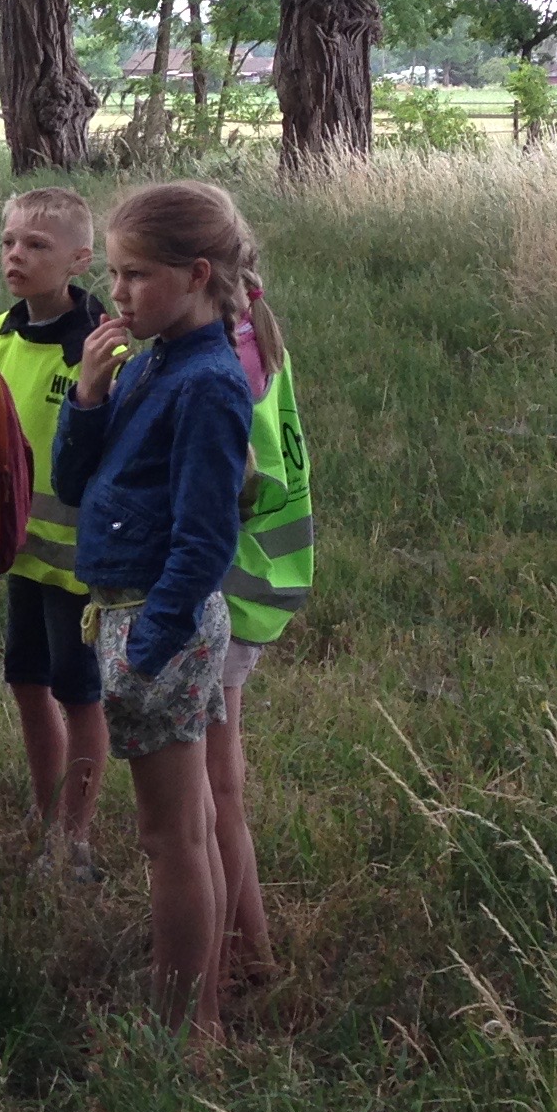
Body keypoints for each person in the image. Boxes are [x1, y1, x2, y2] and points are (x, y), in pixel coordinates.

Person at [51, 180, 259, 1039]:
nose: (118, 294)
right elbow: (74, 483)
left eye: (135, 275)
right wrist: (88, 397)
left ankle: (187, 1025)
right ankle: (197, 1003)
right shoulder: (150, 365)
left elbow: (206, 539)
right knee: (192, 827)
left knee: (169, 838)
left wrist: (149, 649)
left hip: (155, 623)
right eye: (112, 274)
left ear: (197, 273)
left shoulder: (208, 385)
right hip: (136, 617)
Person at [0, 186, 107, 878]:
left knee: (77, 689)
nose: (16, 256)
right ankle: (46, 806)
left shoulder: (95, 346)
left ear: (78, 260)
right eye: (9, 242)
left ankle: (77, 837)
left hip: (80, 565)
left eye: (36, 245)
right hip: (19, 553)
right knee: (26, 679)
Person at [213, 267, 312, 986]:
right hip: (260, 583)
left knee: (214, 798)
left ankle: (221, 960)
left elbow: (225, 494)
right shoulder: (258, 343)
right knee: (224, 791)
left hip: (228, 592)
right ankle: (254, 951)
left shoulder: (227, 368)